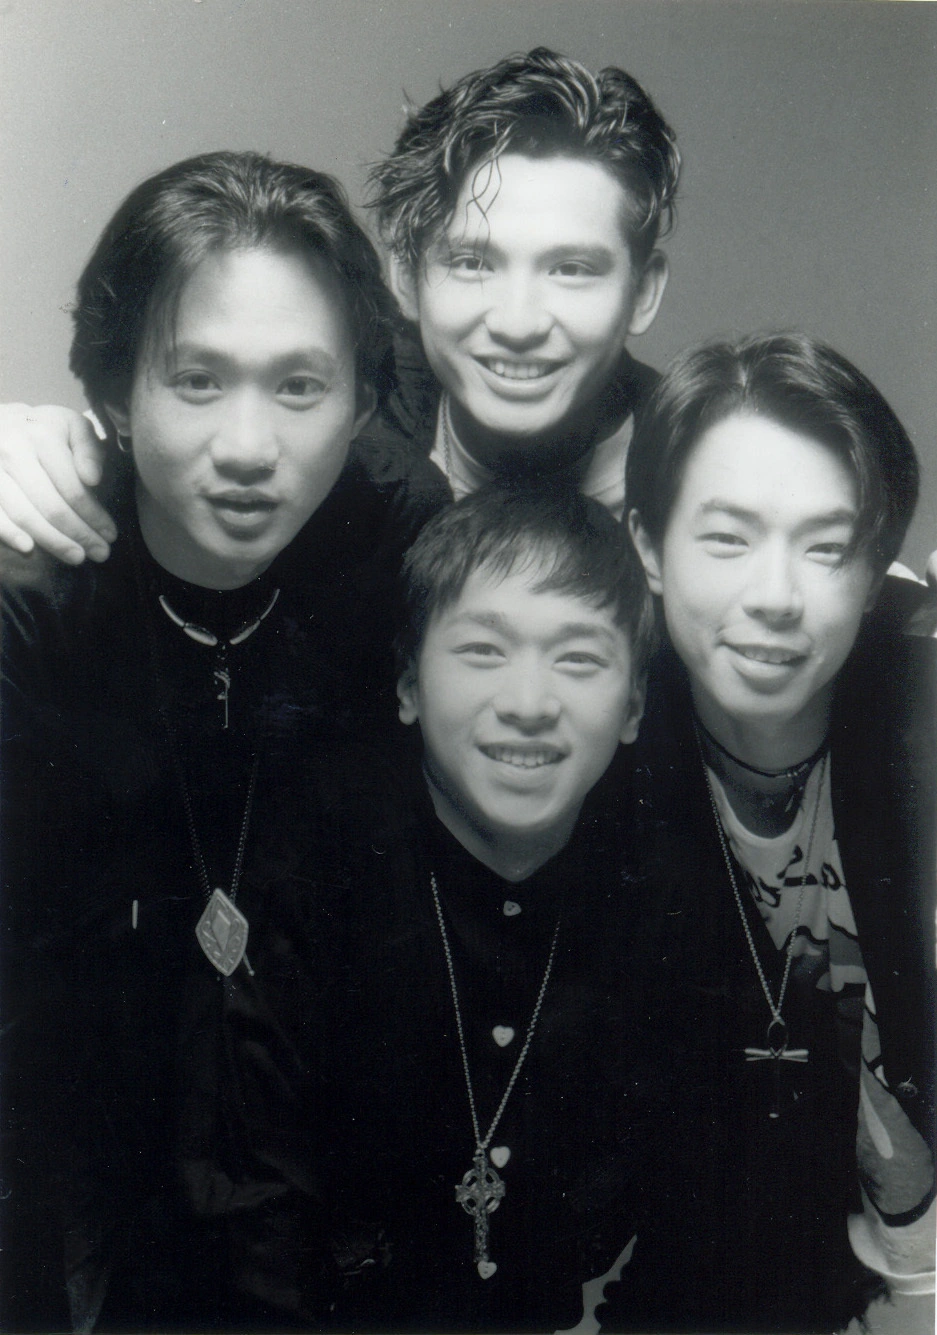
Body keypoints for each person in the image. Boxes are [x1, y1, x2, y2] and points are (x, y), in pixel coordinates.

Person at [0, 149, 421, 1332]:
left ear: (360, 403)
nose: (247, 445)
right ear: (115, 396)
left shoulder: (403, 547)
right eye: (196, 380)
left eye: (300, 386)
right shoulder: (31, 597)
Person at [242, 483, 695, 1332]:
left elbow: (693, 1212)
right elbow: (249, 1206)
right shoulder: (309, 869)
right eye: (482, 650)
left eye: (578, 659)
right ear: (409, 682)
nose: (528, 703)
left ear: (634, 704)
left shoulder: (664, 899)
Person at [0, 47, 678, 559]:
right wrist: (37, 444)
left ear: (643, 291)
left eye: (571, 270)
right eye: (473, 263)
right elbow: (170, 414)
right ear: (405, 276)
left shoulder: (701, 464)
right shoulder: (343, 388)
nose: (518, 322)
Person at [622, 332, 936, 1332]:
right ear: (647, 547)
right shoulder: (592, 731)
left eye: (825, 547)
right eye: (726, 538)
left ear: (876, 571)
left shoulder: (921, 716)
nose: (773, 596)